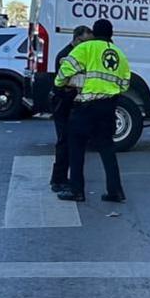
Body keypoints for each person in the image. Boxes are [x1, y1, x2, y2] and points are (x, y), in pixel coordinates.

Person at [54, 19, 130, 203]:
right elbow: (125, 84)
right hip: (109, 107)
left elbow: (66, 69)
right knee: (107, 148)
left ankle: (77, 190)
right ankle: (115, 191)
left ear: (94, 33)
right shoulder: (119, 54)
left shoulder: (86, 48)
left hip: (86, 106)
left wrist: (59, 84)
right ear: (111, 34)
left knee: (76, 146)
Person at [50, 25, 93, 192]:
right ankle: (58, 179)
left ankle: (61, 178)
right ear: (76, 39)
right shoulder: (66, 56)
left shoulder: (79, 54)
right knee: (64, 142)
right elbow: (62, 82)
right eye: (84, 42)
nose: (86, 46)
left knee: (70, 142)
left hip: (72, 104)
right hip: (63, 104)